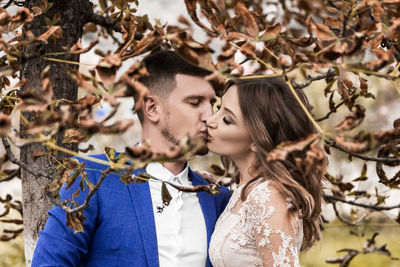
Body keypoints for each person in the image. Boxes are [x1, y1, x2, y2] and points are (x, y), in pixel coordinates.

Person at [32, 50, 231, 267]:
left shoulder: (218, 198)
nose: (210, 115)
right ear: (152, 108)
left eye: (212, 103)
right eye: (194, 102)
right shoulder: (93, 177)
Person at [206, 77, 325, 267]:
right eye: (219, 108)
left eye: (227, 119)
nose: (211, 121)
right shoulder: (246, 191)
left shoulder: (268, 198)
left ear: (257, 140)